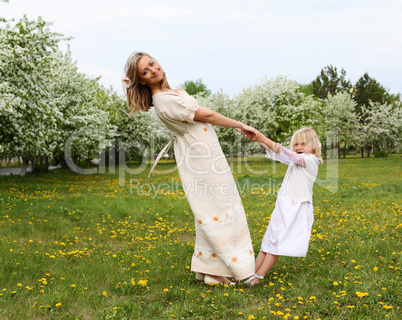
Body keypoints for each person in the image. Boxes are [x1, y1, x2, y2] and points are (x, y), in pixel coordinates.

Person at [122, 52, 256, 285]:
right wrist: (239, 125)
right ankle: (240, 268)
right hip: (200, 158)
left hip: (203, 153)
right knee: (218, 206)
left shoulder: (169, 93)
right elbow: (209, 115)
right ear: (141, 81)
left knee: (212, 207)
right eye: (145, 71)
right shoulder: (164, 100)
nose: (153, 70)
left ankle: (211, 270)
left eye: (152, 63)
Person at [244, 127, 323, 286]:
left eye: (303, 143)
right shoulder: (296, 159)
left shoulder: (310, 160)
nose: (298, 147)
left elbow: (287, 153)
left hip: (296, 208)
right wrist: (258, 139)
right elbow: (280, 153)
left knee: (277, 241)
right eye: (295, 144)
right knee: (268, 241)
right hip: (283, 206)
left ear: (314, 146)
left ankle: (259, 277)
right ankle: (249, 274)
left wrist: (263, 136)